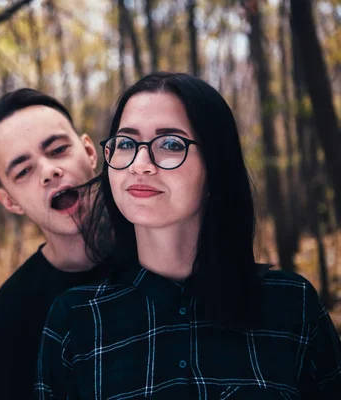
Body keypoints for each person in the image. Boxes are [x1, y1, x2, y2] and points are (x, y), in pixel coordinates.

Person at [35, 72, 341, 399]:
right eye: (125, 143)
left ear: (215, 166)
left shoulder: (292, 304)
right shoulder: (76, 319)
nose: (140, 164)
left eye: (170, 144)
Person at [0, 88, 109, 400]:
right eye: (24, 171)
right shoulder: (9, 313)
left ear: (90, 152)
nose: (49, 172)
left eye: (58, 150)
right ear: (9, 201)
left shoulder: (161, 258)